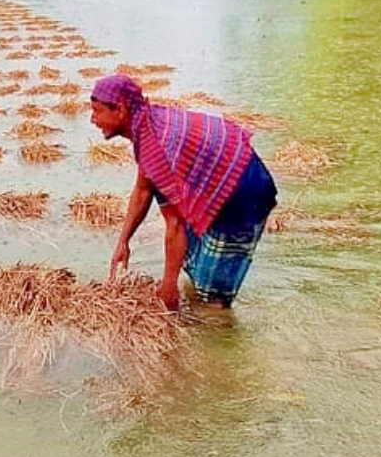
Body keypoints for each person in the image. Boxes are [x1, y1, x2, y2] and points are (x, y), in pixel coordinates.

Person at [89, 74, 278, 311]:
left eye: (97, 111)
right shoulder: (146, 125)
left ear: (120, 110)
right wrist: (123, 242)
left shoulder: (158, 149)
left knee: (214, 295)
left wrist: (169, 287)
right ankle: (200, 300)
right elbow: (143, 190)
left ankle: (217, 328)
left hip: (244, 191)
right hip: (219, 180)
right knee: (192, 258)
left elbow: (175, 225)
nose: (92, 119)